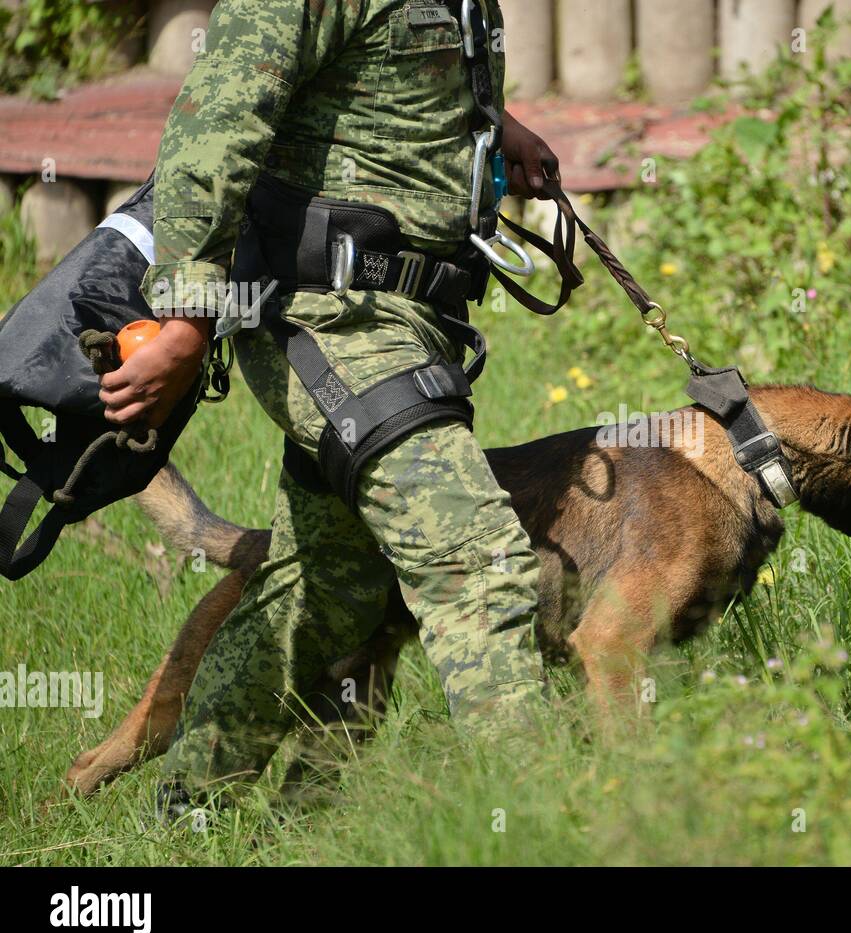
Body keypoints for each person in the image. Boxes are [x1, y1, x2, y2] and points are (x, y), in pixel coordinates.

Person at [96, 0, 560, 812]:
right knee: (476, 561)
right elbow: (219, 118)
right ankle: (536, 831)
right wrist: (186, 318)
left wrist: (493, 122)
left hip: (415, 319)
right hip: (331, 319)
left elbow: (378, 72)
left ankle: (185, 817)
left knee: (324, 587)